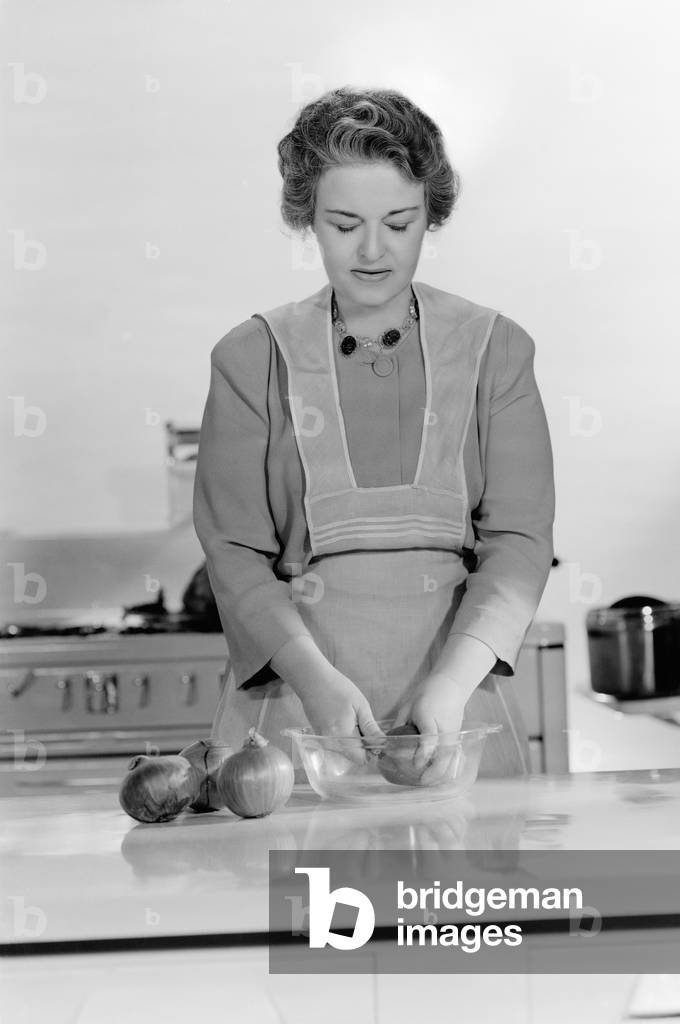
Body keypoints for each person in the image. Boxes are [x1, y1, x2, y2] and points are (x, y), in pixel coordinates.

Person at [193, 86, 555, 779]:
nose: (371, 250)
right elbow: (233, 551)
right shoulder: (249, 357)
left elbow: (519, 542)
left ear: (430, 215)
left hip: (455, 716)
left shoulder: (495, 350)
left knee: (461, 855)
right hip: (295, 717)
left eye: (398, 223)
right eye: (343, 224)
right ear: (307, 218)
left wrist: (449, 686)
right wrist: (315, 683)